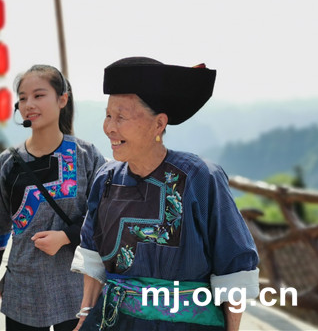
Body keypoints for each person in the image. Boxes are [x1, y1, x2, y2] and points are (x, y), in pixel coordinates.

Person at [71, 57, 259, 331]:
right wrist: (83, 318)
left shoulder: (200, 177)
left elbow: (234, 266)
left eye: (121, 117)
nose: (109, 127)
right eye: (108, 115)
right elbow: (93, 259)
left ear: (159, 124)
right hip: (113, 322)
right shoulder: (106, 179)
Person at [0, 65, 106, 330]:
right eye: (23, 98)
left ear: (62, 99)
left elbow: (105, 214)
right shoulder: (9, 162)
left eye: (39, 95)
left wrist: (66, 236)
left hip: (76, 287)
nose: (29, 104)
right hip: (24, 287)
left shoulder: (87, 156)